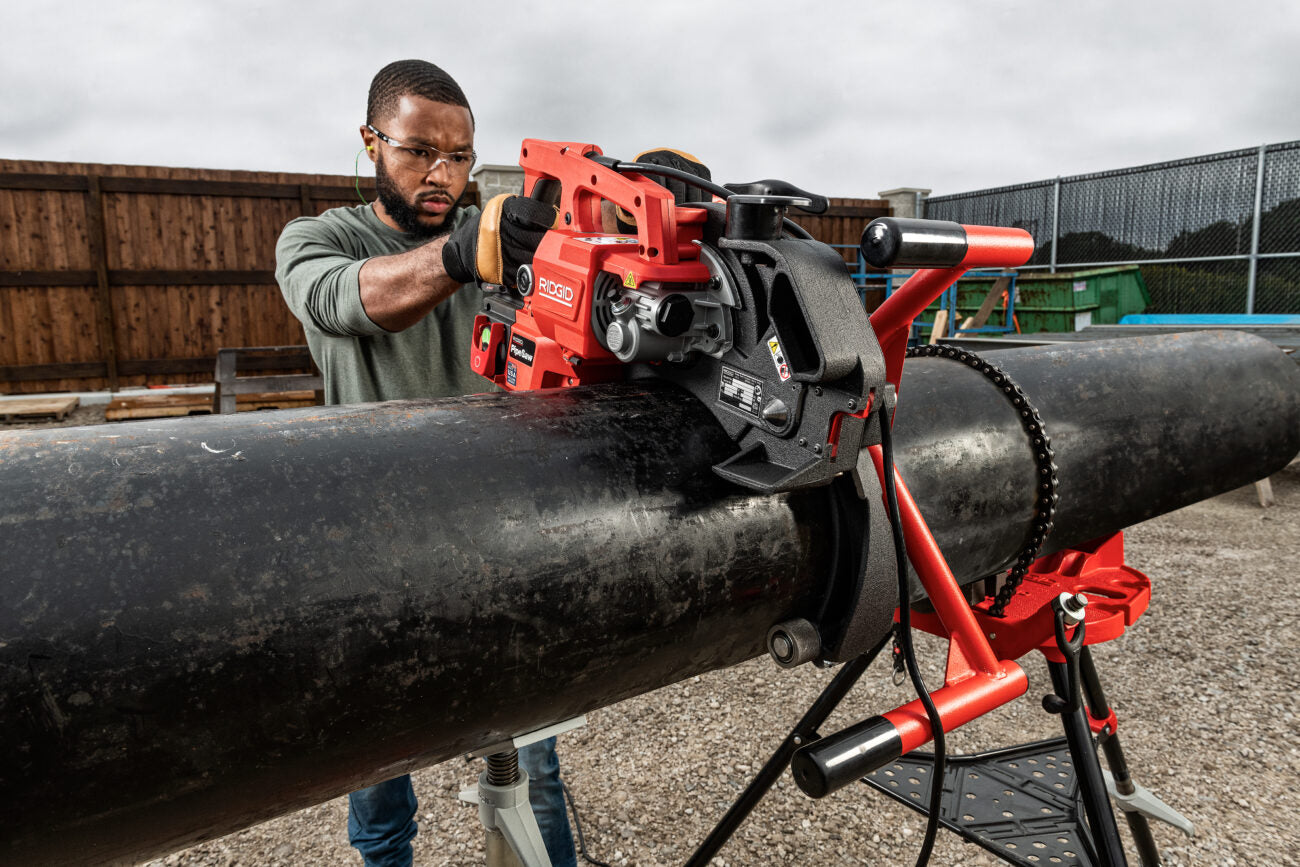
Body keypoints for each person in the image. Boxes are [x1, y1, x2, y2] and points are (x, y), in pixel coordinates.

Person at [274, 59, 575, 867]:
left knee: (531, 763)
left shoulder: (501, 237)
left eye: (460, 156)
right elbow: (346, 300)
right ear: (371, 142)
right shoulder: (319, 238)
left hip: (498, 532)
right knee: (379, 775)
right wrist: (459, 255)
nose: (442, 174)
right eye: (419, 152)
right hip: (375, 544)